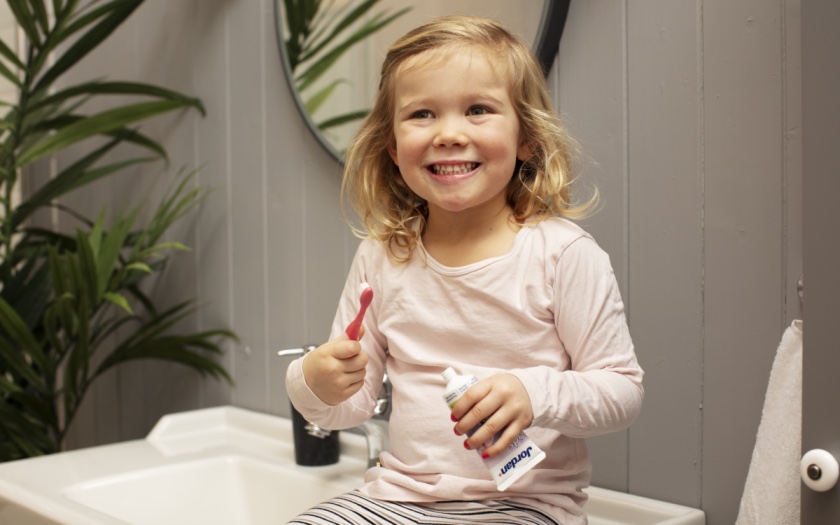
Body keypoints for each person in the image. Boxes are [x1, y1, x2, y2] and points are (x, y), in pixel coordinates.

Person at [285, 14, 644, 525]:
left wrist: (534, 392)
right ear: (392, 145)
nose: (449, 134)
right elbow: (350, 408)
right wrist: (313, 382)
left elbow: (621, 392)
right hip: (399, 498)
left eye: (478, 110)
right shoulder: (382, 257)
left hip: (526, 506)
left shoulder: (562, 254)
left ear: (527, 138)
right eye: (422, 114)